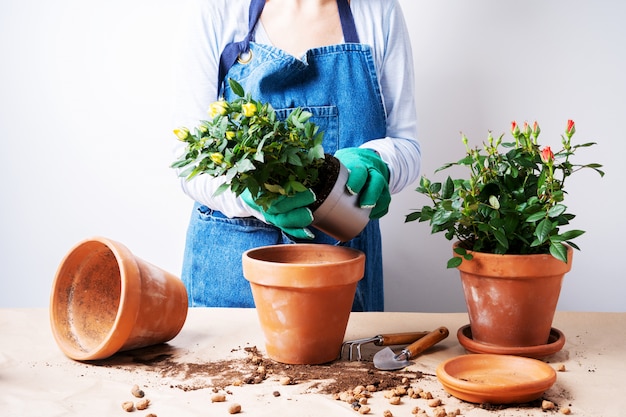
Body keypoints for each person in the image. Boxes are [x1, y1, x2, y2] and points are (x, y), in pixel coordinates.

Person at [172, 0, 420, 312]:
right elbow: (190, 158)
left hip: (338, 270)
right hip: (229, 271)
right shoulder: (219, 11)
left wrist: (377, 161)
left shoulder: (378, 12)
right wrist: (251, 195)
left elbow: (406, 143)